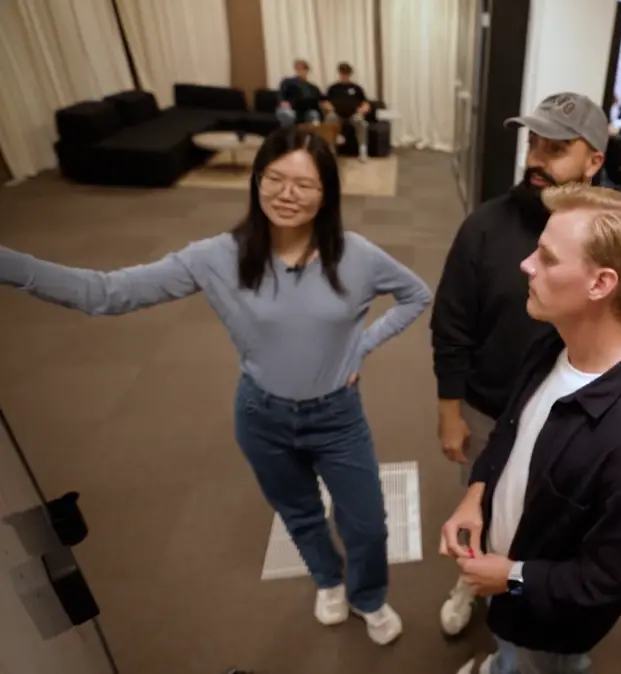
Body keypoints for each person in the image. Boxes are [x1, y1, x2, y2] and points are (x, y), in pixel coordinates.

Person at [0, 127, 432, 646]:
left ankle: (368, 596)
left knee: (368, 524)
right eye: (274, 178)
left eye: (304, 184)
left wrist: (361, 346)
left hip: (337, 415)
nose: (287, 194)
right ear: (257, 180)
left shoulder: (357, 256)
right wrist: (11, 265)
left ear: (326, 194)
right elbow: (106, 293)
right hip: (261, 416)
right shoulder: (218, 256)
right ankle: (327, 579)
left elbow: (415, 294)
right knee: (299, 512)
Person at [431, 91, 621, 637]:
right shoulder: (485, 226)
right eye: (533, 144)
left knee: (545, 521)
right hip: (489, 408)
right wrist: (450, 411)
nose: (536, 159)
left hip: (569, 419)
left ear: (594, 161)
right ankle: (471, 579)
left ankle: (516, 591)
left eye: (556, 148)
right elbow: (451, 324)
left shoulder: (617, 240)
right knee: (482, 501)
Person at [440, 183, 621, 674]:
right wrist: (475, 495)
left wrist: (512, 577)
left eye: (547, 258)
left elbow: (615, 580)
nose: (526, 265)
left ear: (601, 284)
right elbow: (508, 434)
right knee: (507, 653)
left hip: (547, 626)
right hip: (506, 581)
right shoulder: (550, 347)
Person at [323, 62, 372, 161]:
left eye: (346, 73)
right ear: (339, 73)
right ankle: (331, 150)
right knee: (330, 119)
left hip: (353, 114)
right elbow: (325, 102)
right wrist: (329, 107)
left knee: (361, 123)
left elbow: (365, 103)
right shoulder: (333, 88)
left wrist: (363, 109)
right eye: (342, 73)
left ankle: (362, 150)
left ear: (350, 74)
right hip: (337, 113)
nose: (344, 75)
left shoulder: (357, 88)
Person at [276, 58, 323, 126]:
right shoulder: (287, 82)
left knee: (314, 114)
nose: (300, 71)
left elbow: (320, 99)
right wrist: (283, 102)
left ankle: (312, 132)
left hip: (305, 110)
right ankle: (289, 132)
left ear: (307, 70)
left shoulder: (313, 87)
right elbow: (281, 94)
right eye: (298, 68)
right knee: (288, 114)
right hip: (289, 108)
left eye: (303, 69)